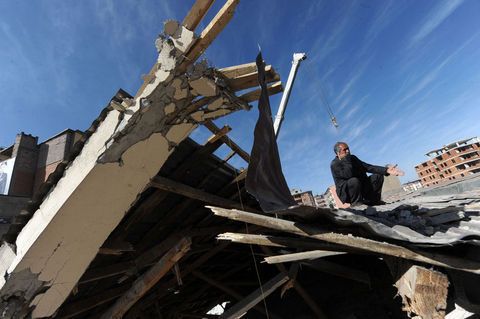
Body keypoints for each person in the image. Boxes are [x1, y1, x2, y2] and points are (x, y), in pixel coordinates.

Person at [330, 142, 404, 206]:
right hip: (348, 193)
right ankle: (356, 204)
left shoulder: (353, 158)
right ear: (338, 153)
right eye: (345, 150)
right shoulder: (334, 164)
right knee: (353, 181)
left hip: (361, 187)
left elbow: (368, 167)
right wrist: (346, 160)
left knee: (377, 176)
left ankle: (374, 201)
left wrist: (386, 170)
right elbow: (348, 174)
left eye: (348, 148)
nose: (348, 151)